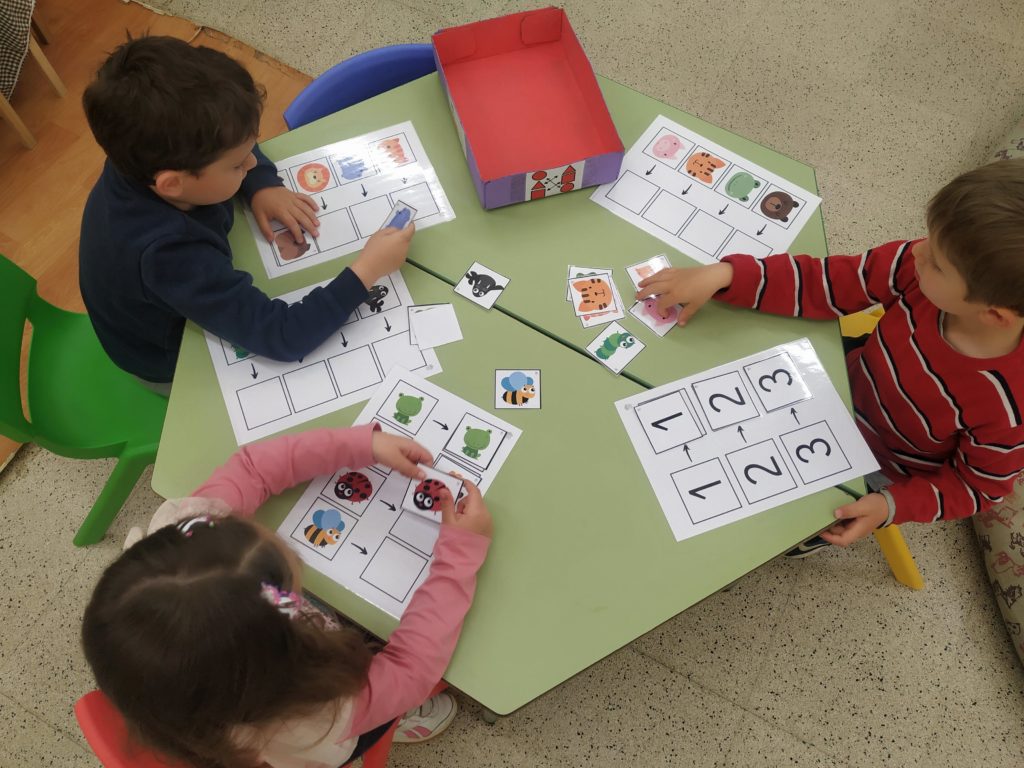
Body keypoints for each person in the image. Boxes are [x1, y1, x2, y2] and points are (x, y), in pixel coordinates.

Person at [636, 159, 1024, 554]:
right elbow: (827, 283)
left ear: (994, 316)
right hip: (841, 377)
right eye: (929, 240)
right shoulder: (916, 262)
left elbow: (977, 487)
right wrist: (727, 275)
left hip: (877, 464)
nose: (917, 251)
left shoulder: (1009, 407)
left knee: (755, 533)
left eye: (937, 263)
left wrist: (889, 505)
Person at [82, 424, 492, 767]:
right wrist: (460, 552)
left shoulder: (182, 537)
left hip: (197, 717)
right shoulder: (319, 710)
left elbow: (253, 469)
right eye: (290, 592)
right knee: (396, 686)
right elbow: (412, 669)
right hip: (323, 734)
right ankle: (403, 721)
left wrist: (362, 445)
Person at [79, 35, 413, 391]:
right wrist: (367, 270)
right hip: (170, 359)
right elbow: (282, 336)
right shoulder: (167, 254)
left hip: (187, 291)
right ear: (172, 184)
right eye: (239, 165)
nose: (252, 162)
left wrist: (262, 183)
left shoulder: (149, 150)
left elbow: (234, 142)